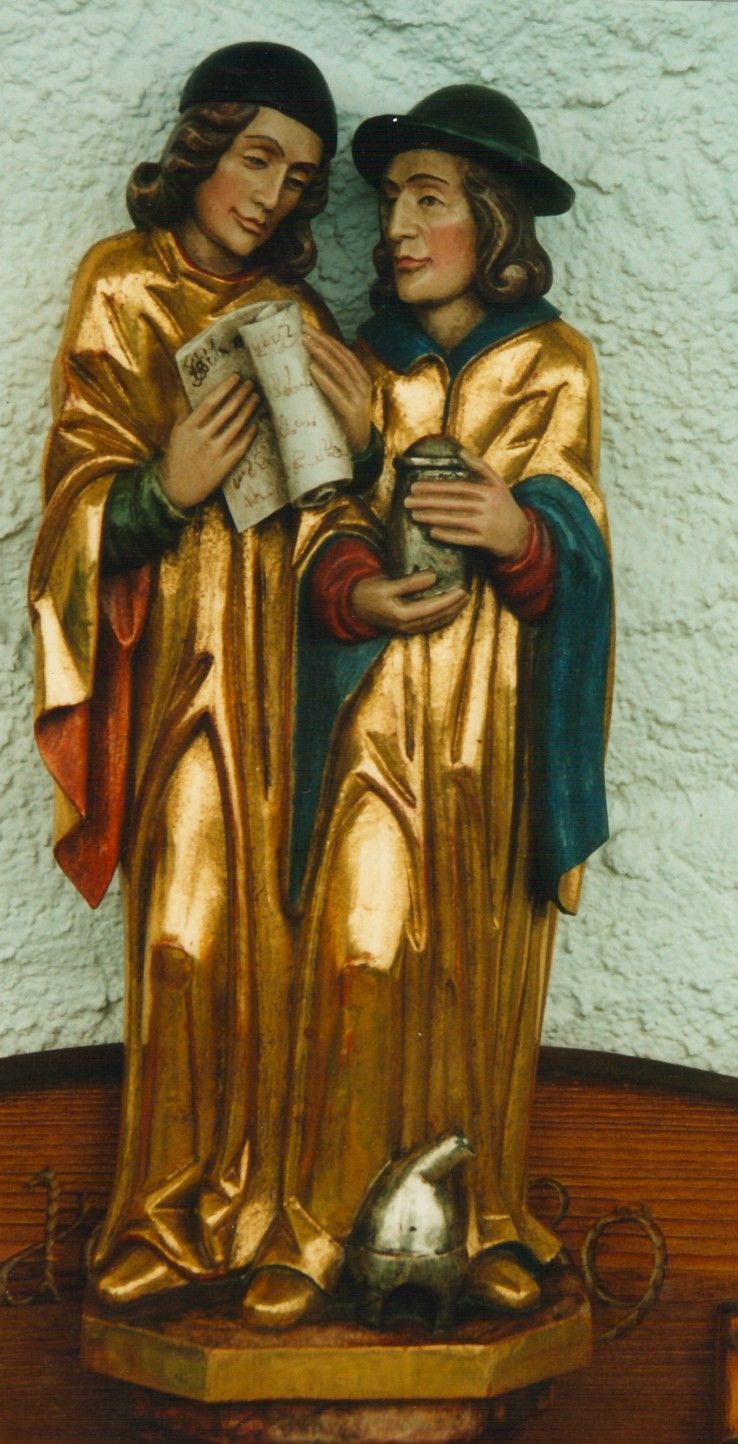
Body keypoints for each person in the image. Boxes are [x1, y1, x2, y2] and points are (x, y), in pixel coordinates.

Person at [243, 84, 613, 1328]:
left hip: (494, 727)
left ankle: (480, 1212)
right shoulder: (362, 361)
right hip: (373, 713)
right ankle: (314, 1221)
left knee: (473, 968)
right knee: (355, 949)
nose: (398, 226)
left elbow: (580, 542)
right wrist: (350, 581)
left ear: (493, 220)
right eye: (392, 201)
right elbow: (313, 516)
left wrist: (523, 532)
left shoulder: (551, 364)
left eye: (428, 198)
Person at [28, 42, 379, 1313]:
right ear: (200, 148)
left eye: (300, 179)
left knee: (289, 932)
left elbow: (344, 516)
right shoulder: (122, 285)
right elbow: (73, 494)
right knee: (185, 929)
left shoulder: (304, 320)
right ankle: (167, 1211)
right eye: (256, 158)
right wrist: (158, 490)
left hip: (294, 672)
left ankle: (276, 1207)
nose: (273, 196)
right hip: (179, 664)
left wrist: (367, 445)